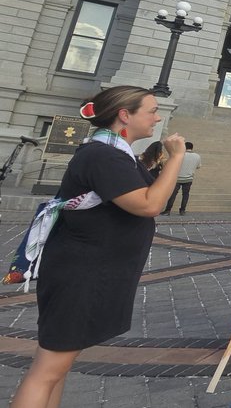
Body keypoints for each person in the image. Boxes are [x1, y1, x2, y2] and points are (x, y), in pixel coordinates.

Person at [12, 86, 185, 408]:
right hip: (82, 274)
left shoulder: (114, 153)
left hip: (90, 270)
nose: (157, 117)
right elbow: (149, 204)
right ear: (125, 115)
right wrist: (176, 157)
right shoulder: (103, 155)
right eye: (150, 110)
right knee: (48, 370)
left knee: (56, 368)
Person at [162, 141, 201, 215]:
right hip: (189, 179)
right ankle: (182, 210)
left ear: (184, 147)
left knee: (173, 194)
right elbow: (198, 166)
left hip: (177, 178)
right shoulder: (197, 156)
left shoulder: (179, 155)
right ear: (192, 148)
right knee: (185, 195)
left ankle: (168, 210)